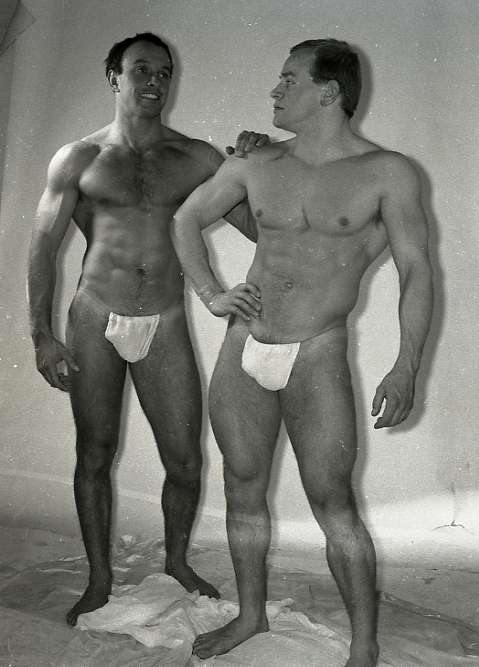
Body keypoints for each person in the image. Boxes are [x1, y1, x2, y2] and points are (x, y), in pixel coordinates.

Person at [171, 38, 433, 666]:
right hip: (245, 345)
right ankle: (250, 615)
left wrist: (406, 365)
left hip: (316, 351)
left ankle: (363, 643)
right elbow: (185, 219)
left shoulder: (388, 172)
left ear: (328, 91)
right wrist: (211, 294)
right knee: (242, 486)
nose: (276, 89)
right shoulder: (255, 164)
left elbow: (417, 270)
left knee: (333, 501)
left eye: (290, 79)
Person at [27, 31, 268, 627]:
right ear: (115, 76)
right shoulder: (78, 158)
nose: (155, 81)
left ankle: (177, 562)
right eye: (142, 70)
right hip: (94, 315)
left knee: (185, 460)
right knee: (94, 451)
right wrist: (41, 335)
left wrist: (260, 165)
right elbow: (42, 247)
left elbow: (259, 226)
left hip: (164, 318)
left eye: (164, 72)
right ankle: (99, 578)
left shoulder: (197, 158)